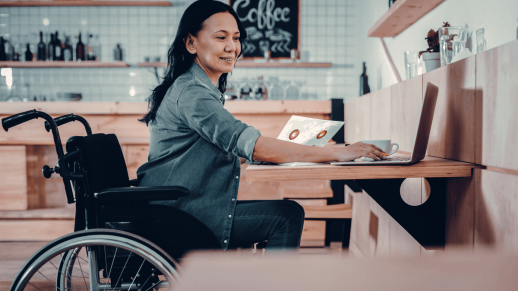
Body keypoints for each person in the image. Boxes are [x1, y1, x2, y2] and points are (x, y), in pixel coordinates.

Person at [137, 0, 386, 252]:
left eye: (236, 38)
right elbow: (250, 145)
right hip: (178, 217)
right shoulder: (193, 93)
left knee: (285, 212)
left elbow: (208, 152)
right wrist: (340, 152)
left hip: (179, 210)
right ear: (191, 42)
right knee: (285, 216)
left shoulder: (195, 88)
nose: (232, 47)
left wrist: (269, 153)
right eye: (220, 37)